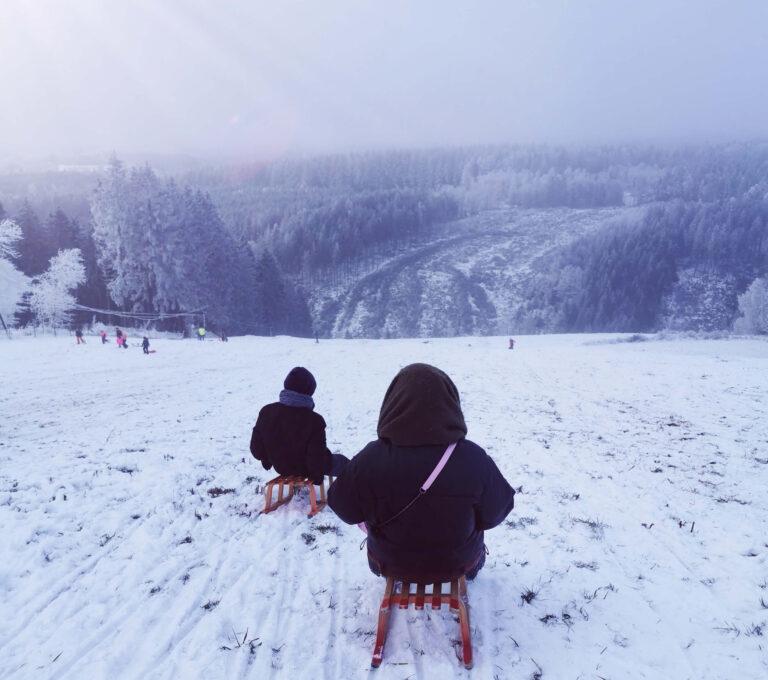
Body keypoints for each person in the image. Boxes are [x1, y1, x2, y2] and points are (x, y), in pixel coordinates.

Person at [328, 363, 515, 582]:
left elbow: (344, 508)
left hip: (388, 563)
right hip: (458, 563)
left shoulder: (370, 459)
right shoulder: (474, 458)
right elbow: (496, 513)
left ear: (393, 403)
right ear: (449, 403)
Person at [250, 367, 348, 483]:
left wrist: (266, 459)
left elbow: (256, 448)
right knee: (345, 463)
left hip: (280, 466)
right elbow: (315, 457)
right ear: (309, 391)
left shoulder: (266, 412)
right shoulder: (315, 421)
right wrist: (317, 477)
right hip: (305, 469)